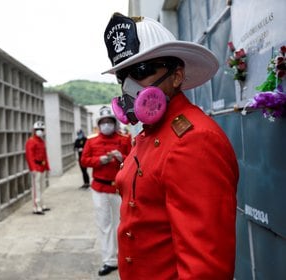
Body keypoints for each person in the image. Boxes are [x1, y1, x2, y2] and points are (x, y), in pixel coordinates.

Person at [102, 13, 239, 279]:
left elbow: (205, 267)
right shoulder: (149, 134)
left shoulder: (194, 140)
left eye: (141, 71)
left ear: (176, 76)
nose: (129, 86)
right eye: (123, 75)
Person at [80, 106, 131, 276]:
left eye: (109, 121)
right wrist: (98, 160)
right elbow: (84, 160)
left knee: (121, 224)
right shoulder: (91, 140)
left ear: (114, 123)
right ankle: (109, 260)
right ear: (99, 124)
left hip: (118, 189)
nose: (107, 125)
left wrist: (121, 157)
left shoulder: (124, 139)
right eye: (103, 122)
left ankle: (122, 256)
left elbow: (133, 161)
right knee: (104, 224)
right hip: (100, 188)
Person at [25, 121, 51, 215]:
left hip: (42, 167)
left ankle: (42, 204)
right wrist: (32, 169)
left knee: (42, 187)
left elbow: (45, 155)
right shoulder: (31, 141)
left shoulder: (41, 141)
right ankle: (36, 207)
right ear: (34, 130)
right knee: (36, 188)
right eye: (37, 129)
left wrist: (47, 167)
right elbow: (29, 156)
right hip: (36, 167)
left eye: (41, 129)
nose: (40, 131)